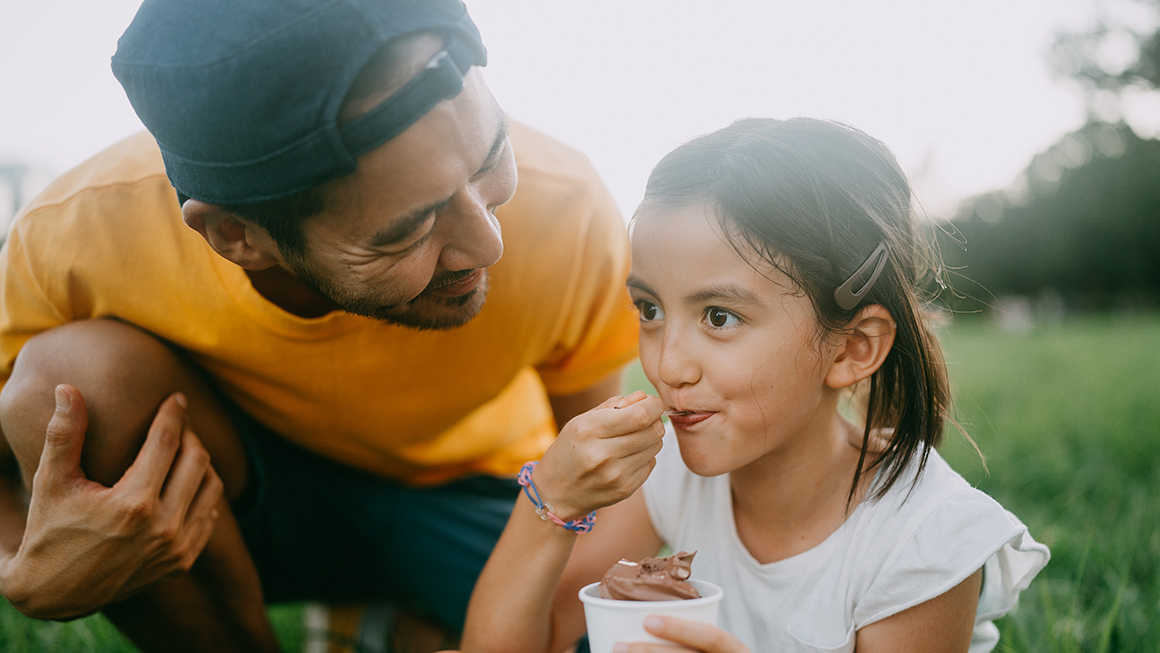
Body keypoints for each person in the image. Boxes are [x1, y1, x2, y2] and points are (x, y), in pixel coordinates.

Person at [0, 1, 639, 651]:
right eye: (411, 228)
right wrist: (18, 571)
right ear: (236, 235)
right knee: (73, 382)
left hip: (476, 494)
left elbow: (604, 473)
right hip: (248, 505)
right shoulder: (74, 236)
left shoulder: (569, 207)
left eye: (489, 161)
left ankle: (393, 625)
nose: (488, 243)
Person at [461, 118, 1051, 653]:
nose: (667, 366)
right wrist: (551, 498)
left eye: (719, 316)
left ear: (852, 348)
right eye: (648, 309)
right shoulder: (674, 475)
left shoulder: (923, 543)